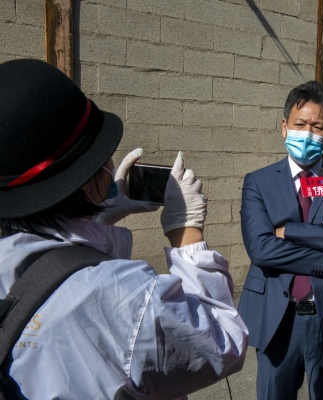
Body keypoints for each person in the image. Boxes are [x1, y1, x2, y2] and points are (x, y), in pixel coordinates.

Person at [0, 59, 248, 399]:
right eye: (104, 160)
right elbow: (222, 344)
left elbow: (54, 273)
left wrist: (98, 215)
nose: (111, 166)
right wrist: (186, 231)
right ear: (84, 181)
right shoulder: (125, 293)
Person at [237, 81, 323, 399]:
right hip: (277, 317)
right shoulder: (258, 182)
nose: (307, 134)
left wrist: (290, 231)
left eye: (317, 127)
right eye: (300, 125)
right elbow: (260, 248)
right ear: (284, 127)